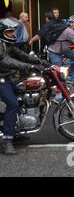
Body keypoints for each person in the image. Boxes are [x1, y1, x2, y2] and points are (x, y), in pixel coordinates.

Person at [0, 18, 43, 155]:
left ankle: (14, 129)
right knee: (12, 104)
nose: (13, 34)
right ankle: (7, 141)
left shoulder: (7, 44)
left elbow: (20, 54)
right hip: (1, 78)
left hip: (5, 77)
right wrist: (29, 66)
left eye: (13, 31)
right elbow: (7, 61)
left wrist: (37, 60)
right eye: (9, 32)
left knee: (21, 95)